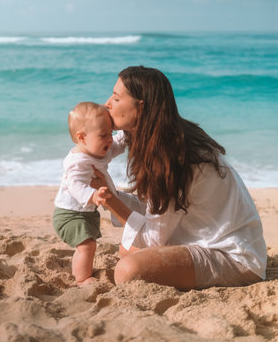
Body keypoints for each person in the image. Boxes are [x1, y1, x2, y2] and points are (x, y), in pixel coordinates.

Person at [91, 66, 267, 290]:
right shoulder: (164, 137)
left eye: (116, 98)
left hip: (235, 258)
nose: (107, 103)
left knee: (128, 270)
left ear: (141, 106)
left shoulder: (171, 154)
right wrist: (109, 192)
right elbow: (153, 212)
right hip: (203, 239)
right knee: (127, 250)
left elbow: (154, 238)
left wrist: (110, 201)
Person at [53, 102, 126, 285]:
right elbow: (74, 184)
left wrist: (127, 133)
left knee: (89, 244)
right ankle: (82, 279)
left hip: (85, 212)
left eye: (110, 133)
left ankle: (82, 272)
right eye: (103, 135)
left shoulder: (99, 149)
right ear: (82, 137)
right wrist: (91, 196)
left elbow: (117, 144)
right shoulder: (78, 161)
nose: (109, 139)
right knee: (87, 246)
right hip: (69, 214)